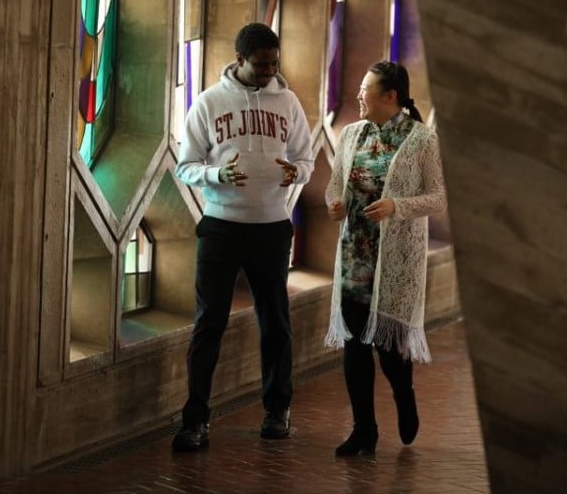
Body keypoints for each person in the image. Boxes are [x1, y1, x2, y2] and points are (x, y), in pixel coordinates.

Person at [172, 23, 314, 452]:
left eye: (274, 63)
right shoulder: (210, 103)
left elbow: (305, 155)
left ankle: (277, 411)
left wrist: (298, 173)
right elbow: (186, 165)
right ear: (239, 60)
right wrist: (216, 174)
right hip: (220, 226)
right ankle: (195, 419)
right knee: (208, 323)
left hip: (271, 226)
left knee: (275, 321)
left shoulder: (288, 102)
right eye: (260, 64)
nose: (269, 71)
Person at [325, 60, 446, 456]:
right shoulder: (350, 135)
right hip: (354, 257)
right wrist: (335, 203)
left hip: (394, 263)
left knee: (390, 351)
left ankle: (404, 395)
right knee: (355, 346)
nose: (359, 95)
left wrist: (397, 205)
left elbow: (440, 197)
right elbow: (333, 184)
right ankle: (364, 431)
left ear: (390, 96)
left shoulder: (421, 140)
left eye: (366, 88)